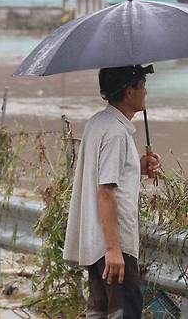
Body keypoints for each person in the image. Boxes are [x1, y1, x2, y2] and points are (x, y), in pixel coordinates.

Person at [64, 64, 161, 319]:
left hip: (96, 244)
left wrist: (136, 167)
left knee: (99, 313)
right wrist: (114, 250)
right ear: (130, 92)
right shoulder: (117, 133)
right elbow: (105, 191)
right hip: (114, 248)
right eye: (143, 87)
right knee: (124, 313)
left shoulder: (98, 123)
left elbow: (104, 175)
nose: (146, 93)